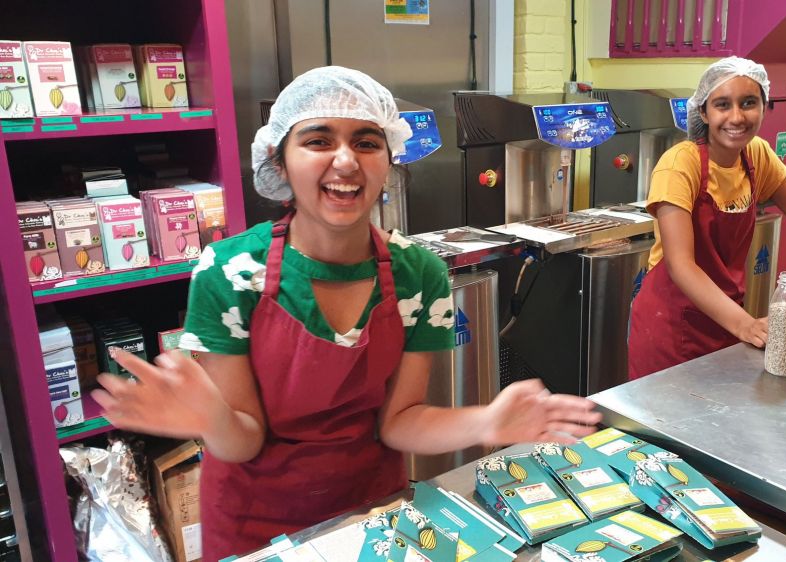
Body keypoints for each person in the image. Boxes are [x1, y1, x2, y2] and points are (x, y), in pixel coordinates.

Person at [92, 66, 601, 560]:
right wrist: (212, 418)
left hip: (373, 515)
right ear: (281, 160)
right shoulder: (229, 272)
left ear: (389, 157)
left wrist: (486, 422)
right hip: (257, 527)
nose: (345, 161)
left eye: (366, 142)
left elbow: (399, 423)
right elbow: (242, 438)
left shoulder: (418, 273)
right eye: (318, 141)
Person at [628, 57, 786, 379]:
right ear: (704, 112)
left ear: (765, 106)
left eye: (748, 103)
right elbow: (681, 265)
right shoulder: (680, 165)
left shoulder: (758, 155)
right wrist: (745, 323)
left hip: (724, 318)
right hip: (670, 326)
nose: (736, 117)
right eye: (722, 104)